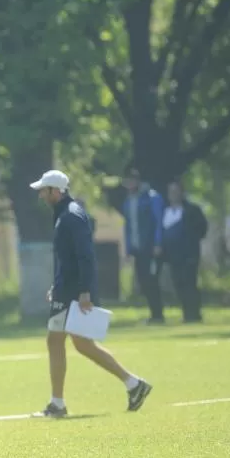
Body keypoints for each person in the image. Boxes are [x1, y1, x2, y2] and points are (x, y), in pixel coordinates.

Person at [29, 170, 152, 418]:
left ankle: (58, 404)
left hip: (74, 291)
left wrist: (85, 291)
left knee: (56, 341)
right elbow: (68, 258)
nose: (41, 194)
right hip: (69, 288)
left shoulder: (72, 216)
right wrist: (58, 284)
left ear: (56, 191)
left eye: (44, 190)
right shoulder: (65, 214)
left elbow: (86, 256)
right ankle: (133, 384)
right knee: (82, 344)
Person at [121, 166, 166, 323]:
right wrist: (127, 248)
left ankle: (158, 314)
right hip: (137, 248)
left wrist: (158, 243)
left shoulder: (151, 197)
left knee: (151, 279)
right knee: (143, 281)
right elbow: (127, 226)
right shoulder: (128, 201)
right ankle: (154, 313)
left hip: (150, 246)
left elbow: (158, 221)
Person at [162, 179, 208, 323]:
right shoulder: (166, 211)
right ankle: (186, 312)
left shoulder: (192, 210)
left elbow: (202, 228)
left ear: (182, 193)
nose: (173, 195)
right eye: (171, 192)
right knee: (178, 284)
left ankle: (194, 314)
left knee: (190, 283)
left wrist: (191, 241)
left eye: (176, 192)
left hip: (189, 254)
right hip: (173, 256)